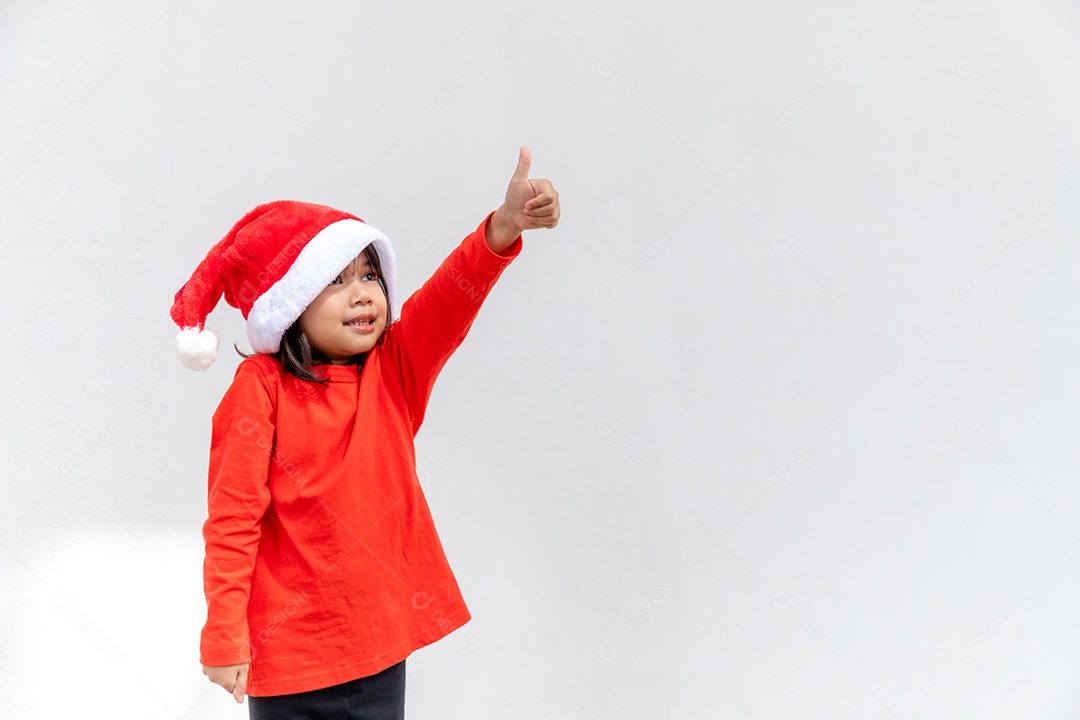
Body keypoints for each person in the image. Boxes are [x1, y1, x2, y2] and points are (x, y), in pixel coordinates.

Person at [168, 146, 560, 719]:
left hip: (379, 650)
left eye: (370, 274)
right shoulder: (260, 387)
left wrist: (502, 228)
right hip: (288, 661)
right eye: (335, 280)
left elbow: (449, 298)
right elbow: (232, 518)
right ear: (291, 304)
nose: (364, 293)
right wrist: (224, 633)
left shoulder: (394, 370)